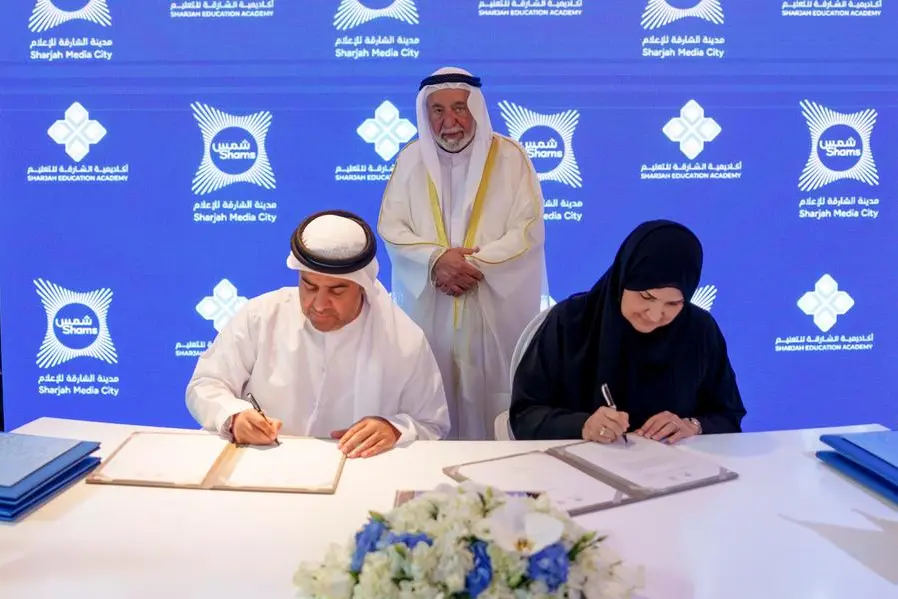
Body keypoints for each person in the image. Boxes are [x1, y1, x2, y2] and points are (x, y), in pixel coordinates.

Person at [186, 210, 450, 458]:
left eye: (337, 291)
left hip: (356, 473)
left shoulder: (403, 340)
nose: (320, 304)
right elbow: (205, 384)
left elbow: (432, 423)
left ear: (363, 286)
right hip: (262, 464)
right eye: (310, 286)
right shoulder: (261, 316)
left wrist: (394, 429)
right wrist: (235, 416)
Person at [378, 66, 547, 440]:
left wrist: (469, 266)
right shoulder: (411, 159)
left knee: (492, 402)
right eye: (437, 110)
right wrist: (436, 261)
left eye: (459, 108)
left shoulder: (511, 157)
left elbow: (527, 229)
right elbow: (392, 226)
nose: (449, 121)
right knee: (428, 395)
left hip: (491, 305)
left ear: (477, 109)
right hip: (432, 307)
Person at [510, 220, 746, 444]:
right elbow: (524, 415)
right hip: (575, 467)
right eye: (646, 297)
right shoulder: (569, 322)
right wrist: (582, 425)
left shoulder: (699, 330)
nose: (655, 315)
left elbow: (728, 415)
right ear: (622, 280)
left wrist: (693, 426)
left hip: (674, 468)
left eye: (673, 303)